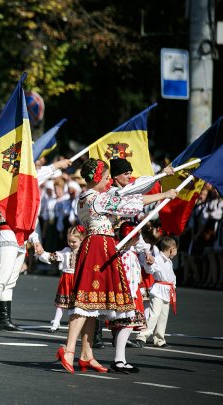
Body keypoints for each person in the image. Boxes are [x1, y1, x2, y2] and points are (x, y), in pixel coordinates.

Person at [55, 158, 176, 374]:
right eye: (107, 177)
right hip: (98, 247)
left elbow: (130, 191)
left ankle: (86, 354)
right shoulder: (97, 199)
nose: (110, 180)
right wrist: (163, 195)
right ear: (97, 179)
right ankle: (69, 349)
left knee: (93, 305)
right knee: (85, 303)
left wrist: (160, 178)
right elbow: (131, 202)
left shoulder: (85, 197)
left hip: (98, 245)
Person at [0, 158, 71, 333]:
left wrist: (35, 239)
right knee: (2, 277)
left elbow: (28, 216)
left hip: (21, 235)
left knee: (11, 280)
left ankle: (3, 319)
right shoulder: (7, 185)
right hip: (7, 231)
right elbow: (35, 178)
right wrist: (56, 166)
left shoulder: (23, 188)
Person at [111, 221, 146, 373]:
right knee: (126, 326)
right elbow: (128, 278)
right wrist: (131, 296)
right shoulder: (127, 255)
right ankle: (119, 360)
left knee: (127, 327)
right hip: (129, 294)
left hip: (132, 293)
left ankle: (121, 359)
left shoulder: (127, 253)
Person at [38, 225, 85, 333]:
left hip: (78, 280)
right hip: (66, 278)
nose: (71, 244)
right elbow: (55, 256)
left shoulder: (84, 252)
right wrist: (43, 254)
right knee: (61, 302)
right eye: (69, 241)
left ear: (81, 239)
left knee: (76, 304)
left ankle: (74, 324)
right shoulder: (66, 250)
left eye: (74, 242)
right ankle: (56, 321)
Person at [134, 236, 178, 348]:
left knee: (163, 317)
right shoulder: (158, 258)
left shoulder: (169, 261)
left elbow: (172, 276)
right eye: (176, 249)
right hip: (158, 290)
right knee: (154, 315)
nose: (176, 252)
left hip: (167, 291)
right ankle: (142, 337)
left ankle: (159, 339)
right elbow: (150, 270)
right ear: (172, 248)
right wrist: (149, 263)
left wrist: (173, 285)